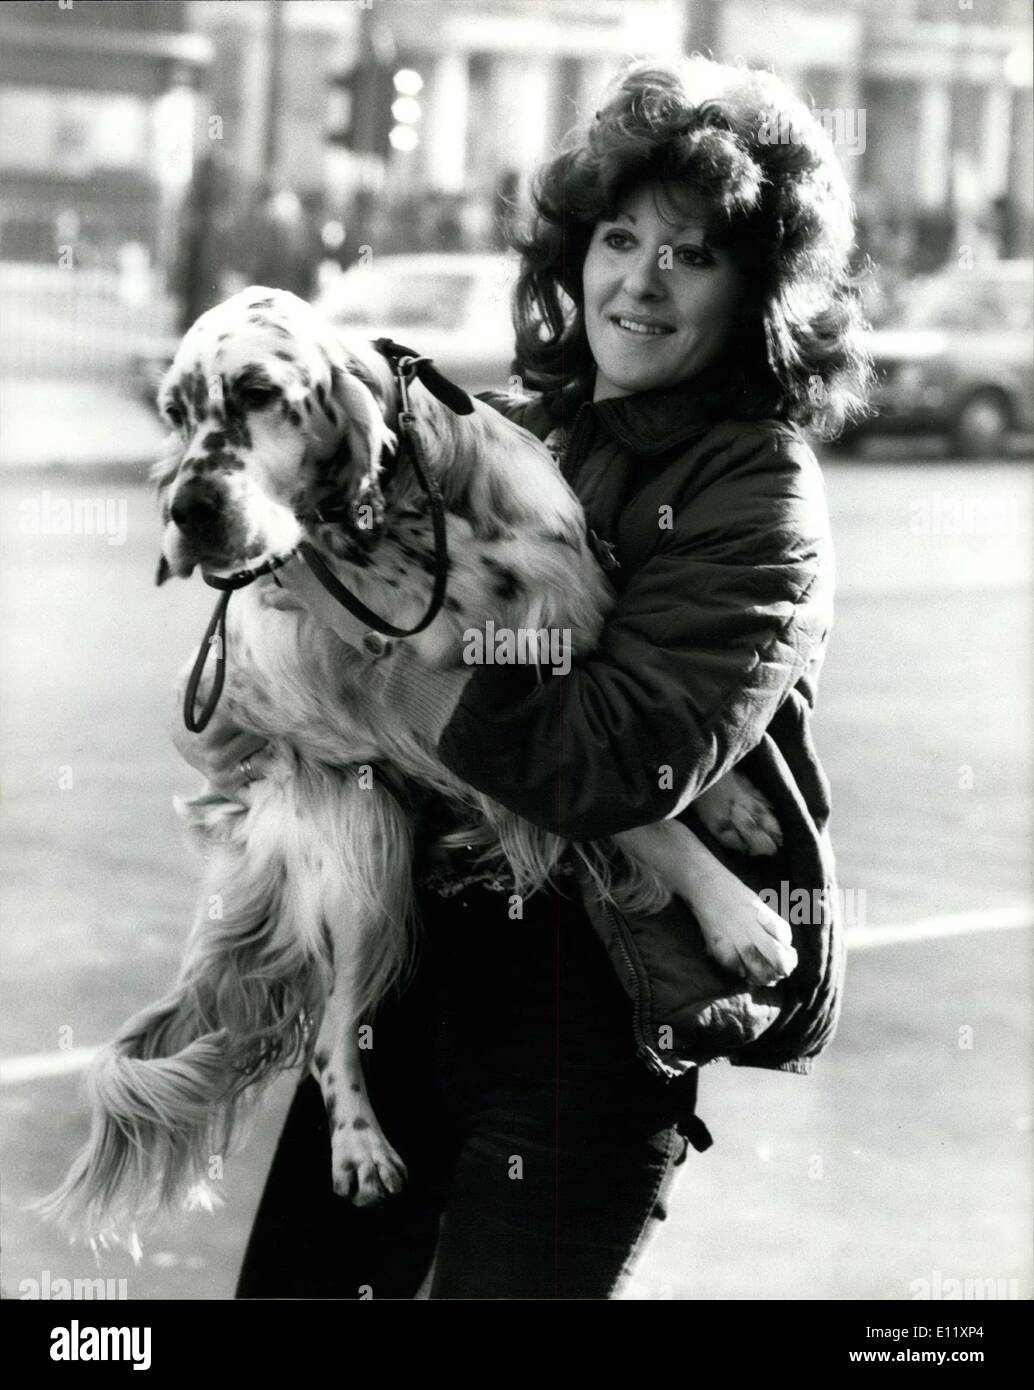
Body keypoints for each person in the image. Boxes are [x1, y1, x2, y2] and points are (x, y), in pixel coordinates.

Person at [173, 56, 870, 1299]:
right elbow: (302, 607)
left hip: (584, 1014)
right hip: (404, 973)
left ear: (756, 292)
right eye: (617, 238)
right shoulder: (510, 427)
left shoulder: (757, 496)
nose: (639, 282)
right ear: (572, 253)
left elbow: (603, 751)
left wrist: (395, 669)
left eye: (690, 254)